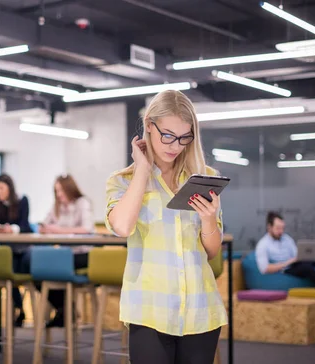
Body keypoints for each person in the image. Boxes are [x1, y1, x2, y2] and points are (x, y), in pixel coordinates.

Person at [105, 90, 226, 364]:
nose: (175, 145)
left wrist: (208, 218)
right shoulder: (121, 181)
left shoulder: (205, 177)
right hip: (150, 309)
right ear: (149, 125)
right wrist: (143, 170)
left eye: (184, 137)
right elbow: (122, 227)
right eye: (167, 135)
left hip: (200, 308)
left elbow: (212, 251)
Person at [38, 174, 94, 328]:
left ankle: (65, 312)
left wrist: (59, 230)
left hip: (83, 254)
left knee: (48, 268)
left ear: (70, 189)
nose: (59, 195)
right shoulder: (57, 206)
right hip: (65, 255)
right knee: (37, 271)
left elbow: (87, 229)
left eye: (61, 191)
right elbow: (45, 223)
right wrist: (45, 228)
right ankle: (66, 310)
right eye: (56, 191)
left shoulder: (82, 203)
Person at [255, 211, 315, 295]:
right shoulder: (263, 245)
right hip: (287, 269)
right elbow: (264, 269)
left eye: (282, 228)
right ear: (269, 227)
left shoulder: (286, 238)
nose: (281, 231)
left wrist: (304, 254)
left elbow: (296, 254)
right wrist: (286, 263)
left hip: (297, 261)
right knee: (306, 268)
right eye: (278, 228)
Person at [0, 173, 33, 326]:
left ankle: (19, 308)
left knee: (17, 267)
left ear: (10, 187)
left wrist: (11, 229)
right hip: (6, 250)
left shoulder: (22, 200)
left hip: (21, 248)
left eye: (1, 188)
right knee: (7, 267)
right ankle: (19, 308)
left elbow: (25, 226)